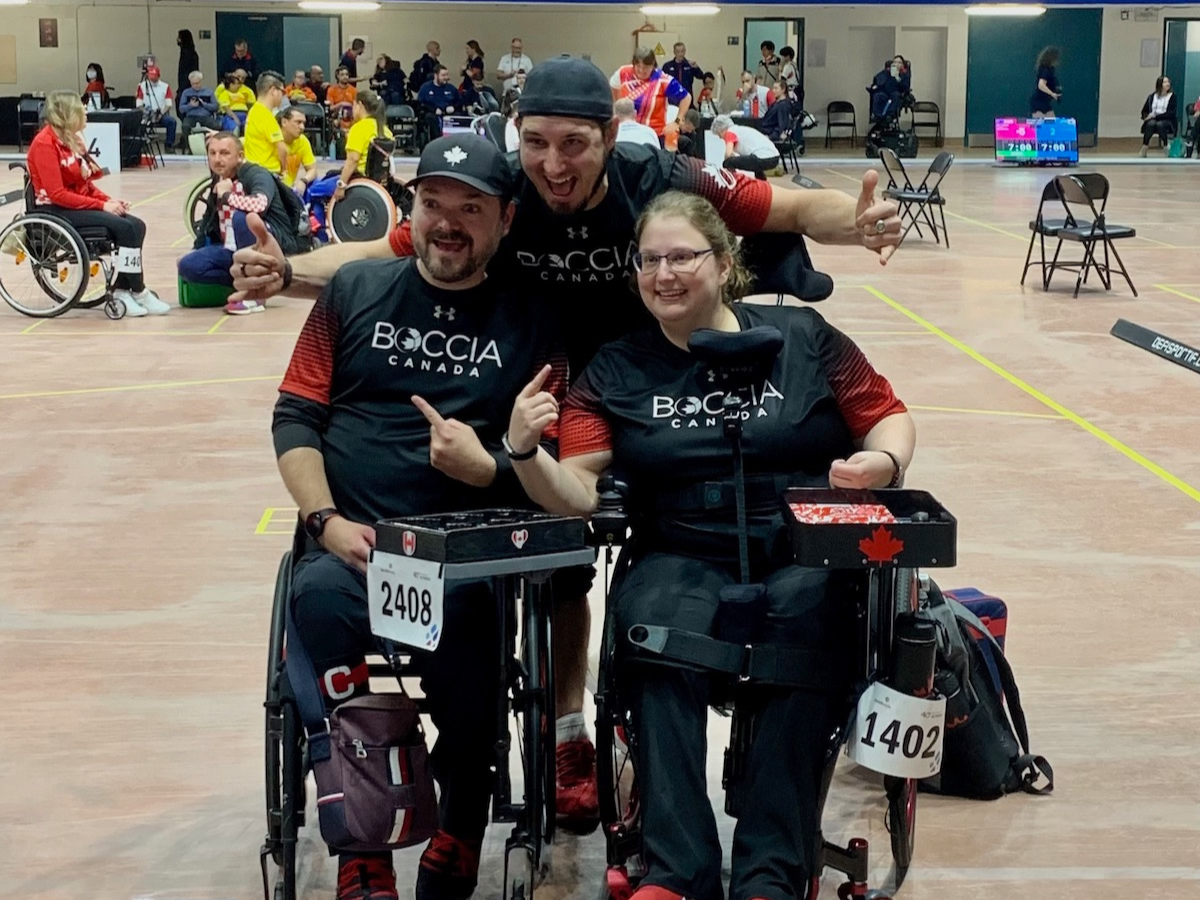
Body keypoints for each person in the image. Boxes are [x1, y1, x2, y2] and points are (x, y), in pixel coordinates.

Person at [230, 55, 902, 828]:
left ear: (610, 137)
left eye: (575, 143)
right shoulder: (504, 189)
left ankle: (593, 730)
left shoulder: (660, 177)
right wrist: (289, 272)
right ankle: (568, 734)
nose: (554, 163)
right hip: (544, 380)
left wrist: (859, 219)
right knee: (555, 557)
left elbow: (782, 209)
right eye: (538, 142)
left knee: (612, 548)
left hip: (644, 379)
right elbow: (388, 252)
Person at [505, 189, 915, 900]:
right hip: (677, 550)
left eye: (683, 257)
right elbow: (576, 486)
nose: (664, 273)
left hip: (800, 548)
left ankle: (771, 873)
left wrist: (881, 463)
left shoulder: (805, 339)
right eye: (649, 260)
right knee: (654, 639)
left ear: (724, 264)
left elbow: (888, 417)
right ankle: (678, 869)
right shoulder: (614, 370)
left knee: (809, 631)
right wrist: (521, 452)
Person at [275, 133, 568, 900]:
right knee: (315, 603)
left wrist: (493, 467)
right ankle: (362, 842)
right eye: (432, 204)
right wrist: (324, 523)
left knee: (475, 646)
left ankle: (462, 818)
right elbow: (295, 419)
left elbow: (560, 459)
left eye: (470, 209)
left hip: (462, 562)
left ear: (504, 220)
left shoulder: (533, 323)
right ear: (411, 211)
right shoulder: (353, 294)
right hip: (348, 547)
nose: (448, 222)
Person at [28, 91, 168, 317]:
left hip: (72, 204)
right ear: (67, 113)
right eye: (81, 108)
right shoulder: (44, 144)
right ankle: (137, 290)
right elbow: (57, 194)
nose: (85, 111)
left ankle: (125, 288)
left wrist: (108, 200)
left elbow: (84, 185)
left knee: (137, 225)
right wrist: (101, 207)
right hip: (54, 210)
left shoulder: (71, 140)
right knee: (124, 226)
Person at [177, 132, 302, 314]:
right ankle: (248, 284)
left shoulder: (256, 174)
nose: (217, 159)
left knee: (242, 218)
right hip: (232, 250)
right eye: (212, 153)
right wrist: (196, 248)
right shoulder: (218, 179)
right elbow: (208, 220)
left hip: (270, 246)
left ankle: (254, 295)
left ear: (240, 156)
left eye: (224, 153)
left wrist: (227, 196)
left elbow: (260, 204)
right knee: (188, 266)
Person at [611, 47, 691, 139]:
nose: (641, 71)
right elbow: (613, 86)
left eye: (645, 67)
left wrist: (676, 122)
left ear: (653, 65)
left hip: (653, 136)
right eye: (638, 66)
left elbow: (686, 97)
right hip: (626, 133)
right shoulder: (623, 72)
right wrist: (619, 106)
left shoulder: (663, 80)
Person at [333, 89, 393, 202]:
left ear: (360, 105)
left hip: (358, 178)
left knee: (316, 189)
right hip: (378, 180)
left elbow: (352, 160)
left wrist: (341, 185)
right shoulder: (386, 131)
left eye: (353, 105)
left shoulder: (358, 128)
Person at [711, 114, 780, 180]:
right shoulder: (739, 130)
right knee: (753, 163)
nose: (720, 137)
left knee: (728, 162)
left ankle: (731, 183)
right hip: (773, 157)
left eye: (719, 134)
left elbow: (728, 154)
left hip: (763, 157)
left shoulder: (730, 132)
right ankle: (762, 183)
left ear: (722, 129)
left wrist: (724, 165)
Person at [244, 70, 288, 174]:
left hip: (254, 169)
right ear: (273, 90)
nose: (283, 96)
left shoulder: (254, 111)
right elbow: (281, 147)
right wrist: (284, 169)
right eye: (283, 92)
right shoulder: (265, 115)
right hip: (268, 171)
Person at [136, 66, 178, 149]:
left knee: (171, 122)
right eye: (151, 78)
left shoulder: (165, 86)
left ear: (158, 76)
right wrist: (145, 112)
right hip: (146, 113)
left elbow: (168, 104)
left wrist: (160, 114)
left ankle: (169, 144)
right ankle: (141, 144)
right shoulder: (142, 86)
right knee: (137, 122)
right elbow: (139, 104)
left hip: (161, 113)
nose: (152, 80)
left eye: (154, 78)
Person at [416, 65, 461, 140]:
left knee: (458, 116)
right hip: (433, 113)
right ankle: (437, 141)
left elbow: (460, 101)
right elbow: (420, 104)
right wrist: (433, 110)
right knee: (429, 118)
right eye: (443, 75)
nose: (446, 77)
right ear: (436, 75)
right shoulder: (425, 88)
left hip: (449, 113)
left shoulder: (451, 88)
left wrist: (454, 107)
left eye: (447, 75)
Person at [178, 71, 222, 148]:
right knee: (185, 126)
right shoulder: (186, 92)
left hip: (205, 116)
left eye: (197, 83)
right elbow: (181, 109)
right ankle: (190, 148)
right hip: (191, 116)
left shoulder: (209, 92)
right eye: (193, 84)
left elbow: (215, 107)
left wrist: (204, 104)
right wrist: (190, 105)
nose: (195, 86)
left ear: (201, 81)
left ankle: (213, 146)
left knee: (216, 126)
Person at [279, 107, 317, 194]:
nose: (302, 127)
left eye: (303, 123)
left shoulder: (302, 141)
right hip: (275, 187)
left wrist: (303, 181)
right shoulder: (274, 140)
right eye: (298, 122)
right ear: (284, 122)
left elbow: (313, 170)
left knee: (315, 184)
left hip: (291, 190)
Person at [1139, 75, 1178, 157]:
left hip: (1167, 119)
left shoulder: (1172, 97)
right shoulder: (1152, 97)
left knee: (1160, 124)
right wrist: (1146, 117)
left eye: (1168, 82)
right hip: (1153, 118)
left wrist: (1156, 117)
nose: (1168, 84)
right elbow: (1144, 110)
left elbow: (1171, 113)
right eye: (1165, 82)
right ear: (1160, 84)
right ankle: (1144, 146)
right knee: (1150, 124)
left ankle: (1165, 145)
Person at [870, 55, 911, 122]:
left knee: (896, 95)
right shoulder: (887, 71)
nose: (897, 64)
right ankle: (877, 116)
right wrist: (876, 85)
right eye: (895, 62)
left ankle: (889, 115)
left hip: (896, 93)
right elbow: (878, 78)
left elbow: (906, 86)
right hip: (885, 92)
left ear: (903, 65)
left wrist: (897, 77)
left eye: (899, 62)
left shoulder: (904, 73)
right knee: (877, 95)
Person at [1030, 46, 1061, 119]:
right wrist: (1052, 93)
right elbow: (1041, 85)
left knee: (1052, 123)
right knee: (1042, 124)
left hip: (1046, 102)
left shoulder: (1050, 70)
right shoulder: (1045, 70)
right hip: (1038, 102)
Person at [177, 29, 199, 97]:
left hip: (187, 86)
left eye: (179, 37)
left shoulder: (188, 54)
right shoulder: (187, 52)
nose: (177, 39)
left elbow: (187, 72)